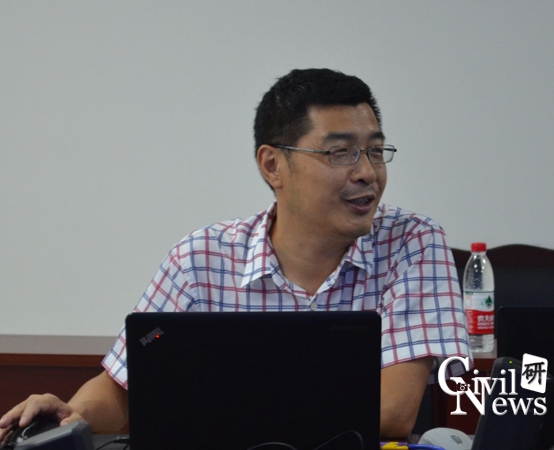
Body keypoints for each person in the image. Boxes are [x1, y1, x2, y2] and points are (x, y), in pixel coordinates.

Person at [0, 68, 470, 441]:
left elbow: (391, 411)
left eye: (375, 151)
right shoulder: (201, 258)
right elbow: (121, 389)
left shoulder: (411, 243)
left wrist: (218, 409)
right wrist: (72, 416)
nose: (367, 172)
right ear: (273, 165)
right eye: (340, 153)